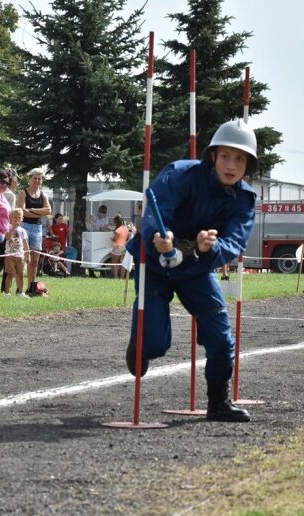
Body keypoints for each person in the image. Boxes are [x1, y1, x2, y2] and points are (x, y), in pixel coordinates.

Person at [124, 119, 258, 422]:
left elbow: (235, 241)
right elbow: (157, 210)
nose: (231, 165)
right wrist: (159, 236)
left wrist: (210, 248)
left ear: (248, 164)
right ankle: (140, 343)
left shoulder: (245, 199)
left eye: (239, 159)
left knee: (222, 339)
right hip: (157, 264)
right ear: (212, 156)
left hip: (198, 268)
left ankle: (218, 403)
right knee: (156, 344)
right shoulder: (181, 174)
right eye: (225, 156)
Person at [17, 168, 52, 295]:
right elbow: (22, 212)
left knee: (35, 260)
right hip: (24, 226)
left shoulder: (43, 195)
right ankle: (19, 287)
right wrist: (38, 212)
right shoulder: (23, 193)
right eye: (35, 178)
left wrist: (31, 210)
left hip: (37, 228)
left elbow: (48, 211)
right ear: (30, 178)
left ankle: (31, 287)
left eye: (39, 178)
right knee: (22, 258)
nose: (37, 180)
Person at [3, 208, 30, 297]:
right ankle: (7, 293)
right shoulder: (7, 227)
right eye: (15, 217)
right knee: (10, 273)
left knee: (20, 274)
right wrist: (13, 228)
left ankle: (20, 292)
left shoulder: (23, 231)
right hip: (9, 255)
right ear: (10, 217)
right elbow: (7, 237)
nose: (17, 219)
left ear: (22, 219)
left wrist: (27, 254)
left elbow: (25, 244)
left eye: (19, 217)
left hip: (20, 255)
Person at [110, 215, 129, 279]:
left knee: (114, 263)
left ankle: (116, 277)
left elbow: (115, 239)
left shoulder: (118, 229)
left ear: (116, 222)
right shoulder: (126, 228)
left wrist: (111, 239)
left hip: (117, 247)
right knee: (122, 263)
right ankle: (122, 278)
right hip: (123, 247)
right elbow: (127, 238)